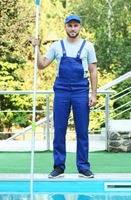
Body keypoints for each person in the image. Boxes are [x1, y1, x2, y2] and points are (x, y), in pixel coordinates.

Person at [32, 14, 98, 179]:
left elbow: (93, 70)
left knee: (82, 130)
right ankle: (58, 167)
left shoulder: (88, 46)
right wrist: (36, 48)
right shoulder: (56, 46)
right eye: (70, 25)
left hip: (81, 91)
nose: (73, 28)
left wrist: (94, 94)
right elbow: (41, 65)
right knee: (59, 129)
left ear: (80, 27)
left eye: (76, 25)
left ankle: (83, 167)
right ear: (65, 27)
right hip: (61, 91)